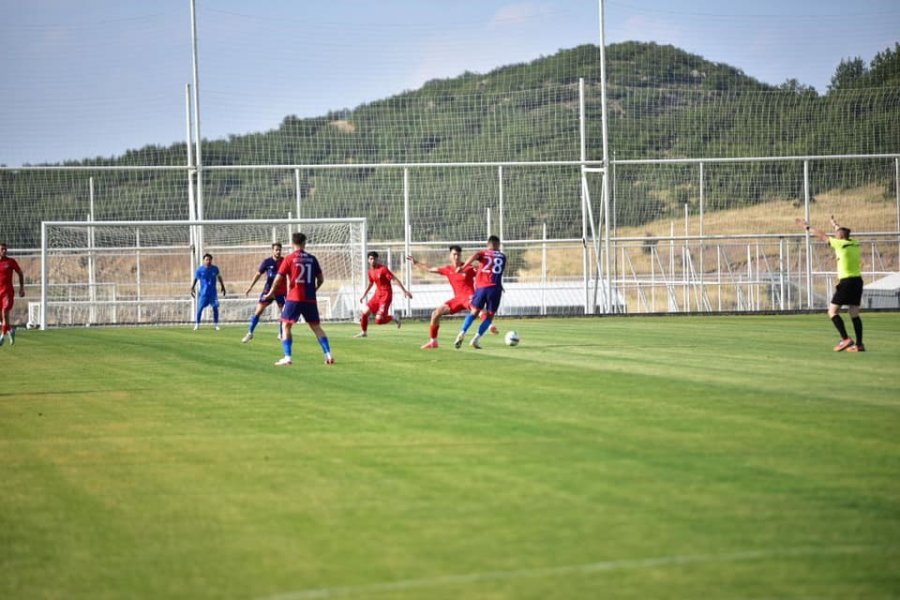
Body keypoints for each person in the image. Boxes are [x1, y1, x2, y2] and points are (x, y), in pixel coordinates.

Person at [407, 245, 498, 349]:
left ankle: (490, 326)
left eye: (458, 255)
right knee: (435, 313)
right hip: (457, 299)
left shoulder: (468, 268)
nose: (456, 257)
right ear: (450, 255)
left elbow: (483, 272)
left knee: (479, 310)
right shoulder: (448, 269)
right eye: (454, 254)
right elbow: (430, 269)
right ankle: (433, 342)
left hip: (469, 297)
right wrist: (416, 262)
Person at [796, 215, 865, 352]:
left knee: (832, 311)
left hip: (846, 282)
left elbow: (822, 236)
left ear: (839, 238)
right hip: (858, 281)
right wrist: (835, 224)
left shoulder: (839, 244)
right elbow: (841, 232)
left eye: (836, 235)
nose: (834, 236)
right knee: (854, 313)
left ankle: (845, 339)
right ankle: (859, 344)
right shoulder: (855, 243)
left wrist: (808, 227)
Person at [264, 232, 334, 366]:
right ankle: (329, 355)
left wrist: (270, 292)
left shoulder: (289, 259)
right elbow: (321, 279)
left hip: (294, 298)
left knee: (286, 325)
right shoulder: (312, 258)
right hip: (310, 298)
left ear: (292, 243)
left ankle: (288, 357)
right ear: (304, 243)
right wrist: (314, 289)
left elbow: (278, 279)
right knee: (316, 327)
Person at [454, 235, 506, 350]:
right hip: (495, 289)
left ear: (488, 244)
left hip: (482, 288)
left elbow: (474, 256)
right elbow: (497, 272)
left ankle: (462, 332)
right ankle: (476, 339)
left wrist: (463, 267)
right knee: (490, 316)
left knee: (474, 312)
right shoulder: (503, 256)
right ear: (498, 245)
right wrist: (500, 285)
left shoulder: (483, 253)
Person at [355, 251, 412, 337]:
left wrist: (404, 291)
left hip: (386, 295)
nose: (372, 260)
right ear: (368, 260)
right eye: (371, 259)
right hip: (376, 296)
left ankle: (393, 317)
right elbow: (371, 283)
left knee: (378, 321)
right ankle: (364, 332)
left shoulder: (383, 269)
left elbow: (394, 279)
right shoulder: (370, 271)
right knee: (364, 313)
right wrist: (364, 295)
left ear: (377, 259)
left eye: (374, 259)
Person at [242, 242, 287, 343]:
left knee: (284, 313)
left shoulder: (285, 261)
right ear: (272, 251)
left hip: (281, 292)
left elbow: (291, 274)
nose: (278, 251)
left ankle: (281, 334)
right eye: (276, 250)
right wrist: (250, 287)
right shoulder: (267, 262)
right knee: (258, 312)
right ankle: (250, 333)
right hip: (267, 291)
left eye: (280, 250)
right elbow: (258, 274)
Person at [190, 253, 226, 330]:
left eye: (209, 259)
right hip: (203, 294)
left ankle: (216, 325)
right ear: (204, 260)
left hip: (213, 293)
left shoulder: (215, 268)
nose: (208, 261)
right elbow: (196, 279)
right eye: (206, 259)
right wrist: (192, 287)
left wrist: (223, 286)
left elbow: (219, 277)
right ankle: (197, 324)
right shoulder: (200, 270)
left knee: (215, 308)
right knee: (200, 308)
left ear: (211, 260)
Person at [0, 243, 25, 347]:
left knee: (5, 312)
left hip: (8, 292)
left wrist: (21, 288)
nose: (4, 251)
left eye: (5, 249)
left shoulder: (11, 262)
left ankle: (2, 336)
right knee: (2, 318)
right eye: (2, 249)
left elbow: (20, 273)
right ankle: (10, 330)